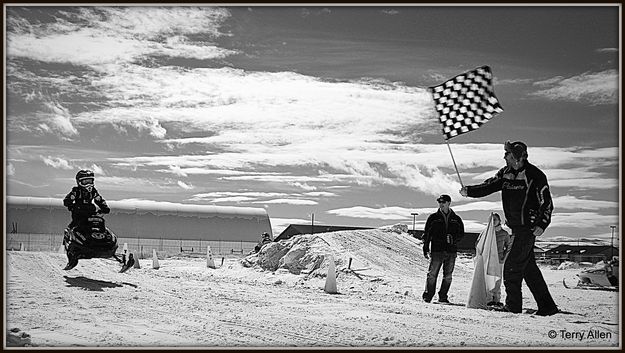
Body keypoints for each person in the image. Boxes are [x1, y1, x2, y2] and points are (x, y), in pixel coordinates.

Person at [460, 140, 559, 316]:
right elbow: (488, 185)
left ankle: (513, 307)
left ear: (517, 157)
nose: (504, 156)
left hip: (527, 229)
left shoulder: (535, 175)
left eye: (507, 154)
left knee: (511, 267)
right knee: (529, 271)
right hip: (514, 229)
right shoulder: (505, 173)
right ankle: (547, 307)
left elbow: (547, 203)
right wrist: (469, 190)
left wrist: (542, 224)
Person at [62, 170, 111, 269]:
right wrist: (70, 204)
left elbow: (99, 199)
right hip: (79, 214)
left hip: (91, 213)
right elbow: (67, 200)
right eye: (85, 181)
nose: (88, 184)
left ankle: (106, 244)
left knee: (100, 225)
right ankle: (71, 255)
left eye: (90, 181)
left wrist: (105, 207)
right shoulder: (76, 191)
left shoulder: (93, 191)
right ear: (79, 182)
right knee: (72, 229)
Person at [422, 194, 465, 303]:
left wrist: (453, 239)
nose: (441, 204)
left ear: (449, 203)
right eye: (439, 202)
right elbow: (427, 234)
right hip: (437, 250)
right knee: (432, 274)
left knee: (448, 276)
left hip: (451, 251)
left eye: (443, 202)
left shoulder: (456, 219)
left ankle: (443, 296)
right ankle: (428, 296)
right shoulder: (433, 218)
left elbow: (461, 234)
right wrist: (426, 247)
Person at [486, 213, 513, 307]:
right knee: (488, 280)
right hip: (488, 260)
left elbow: (509, 246)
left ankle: (497, 299)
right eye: (491, 219)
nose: (493, 221)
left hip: (499, 260)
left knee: (497, 280)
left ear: (499, 221)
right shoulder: (486, 233)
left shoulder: (504, 234)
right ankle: (489, 299)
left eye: (495, 219)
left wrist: (504, 258)